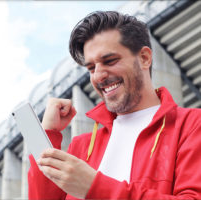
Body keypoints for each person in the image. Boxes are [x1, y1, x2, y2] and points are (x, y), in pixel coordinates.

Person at [28, 11, 201, 199]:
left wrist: (94, 187)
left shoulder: (192, 125)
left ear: (144, 58)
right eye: (91, 68)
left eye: (109, 61)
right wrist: (48, 135)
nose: (98, 76)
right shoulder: (81, 146)